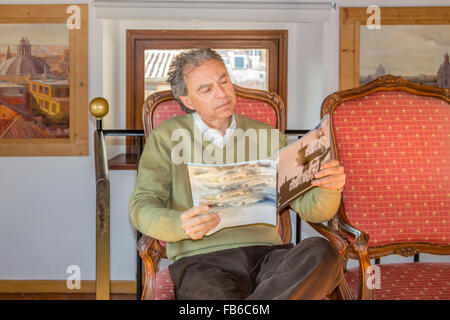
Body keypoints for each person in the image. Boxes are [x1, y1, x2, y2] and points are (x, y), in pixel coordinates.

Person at [129, 47, 346, 300]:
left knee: (322, 253)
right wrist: (180, 224)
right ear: (187, 101)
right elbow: (141, 205)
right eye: (206, 89)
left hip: (268, 257)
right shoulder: (166, 137)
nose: (222, 93)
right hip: (202, 262)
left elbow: (313, 211)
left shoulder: (269, 137)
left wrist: (330, 188)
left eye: (224, 81)